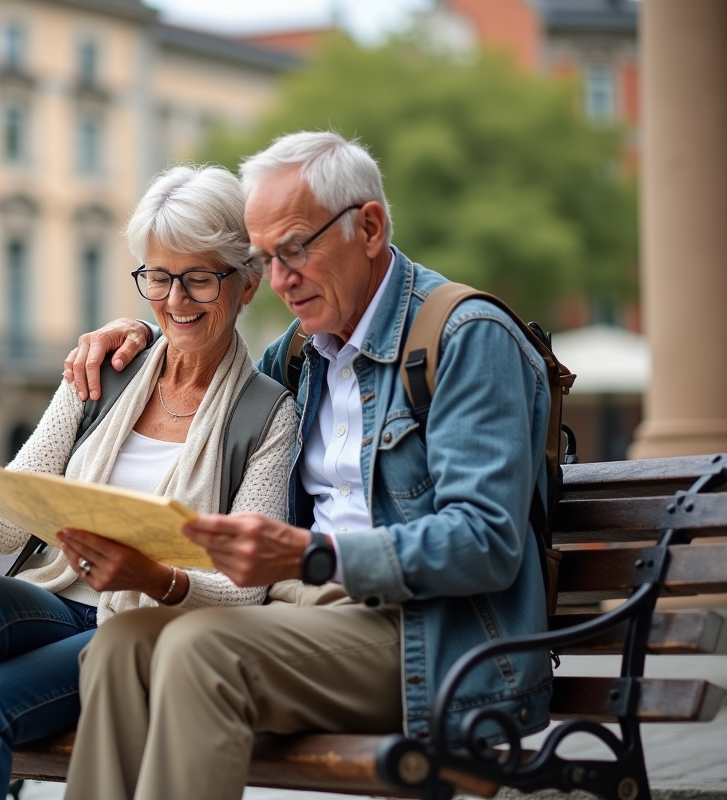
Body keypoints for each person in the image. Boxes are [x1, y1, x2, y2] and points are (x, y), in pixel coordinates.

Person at [60, 131, 553, 800]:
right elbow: (206, 363)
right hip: (299, 615)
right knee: (124, 644)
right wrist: (143, 334)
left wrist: (311, 555)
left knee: (199, 649)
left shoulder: (465, 337)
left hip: (423, 635)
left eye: (295, 250)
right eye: (266, 259)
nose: (280, 281)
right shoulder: (299, 356)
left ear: (370, 227)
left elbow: (484, 542)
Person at [0, 165, 296, 800]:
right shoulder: (105, 372)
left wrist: (152, 575)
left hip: (150, 630)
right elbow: (15, 516)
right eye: (158, 277)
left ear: (246, 285)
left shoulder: (269, 414)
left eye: (200, 279)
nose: (175, 301)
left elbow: (248, 590)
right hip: (62, 605)